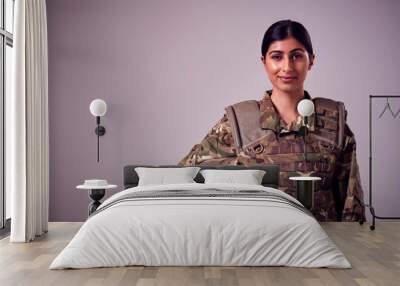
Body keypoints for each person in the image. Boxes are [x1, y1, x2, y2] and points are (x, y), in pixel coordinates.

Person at [179, 19, 365, 222]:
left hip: (320, 245)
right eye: (277, 57)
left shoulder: (333, 124)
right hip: (256, 245)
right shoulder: (239, 124)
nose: (287, 66)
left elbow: (351, 204)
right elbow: (183, 178)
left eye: (296, 56)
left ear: (311, 60)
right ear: (264, 62)